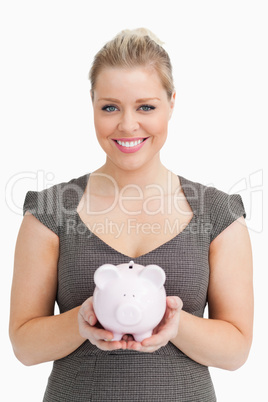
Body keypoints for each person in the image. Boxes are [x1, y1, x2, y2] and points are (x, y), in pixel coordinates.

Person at [9, 28, 253, 401]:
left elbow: (236, 350)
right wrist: (80, 323)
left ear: (172, 103)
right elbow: (24, 346)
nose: (127, 125)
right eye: (110, 107)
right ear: (92, 104)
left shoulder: (217, 214)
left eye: (146, 106)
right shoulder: (49, 212)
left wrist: (175, 325)